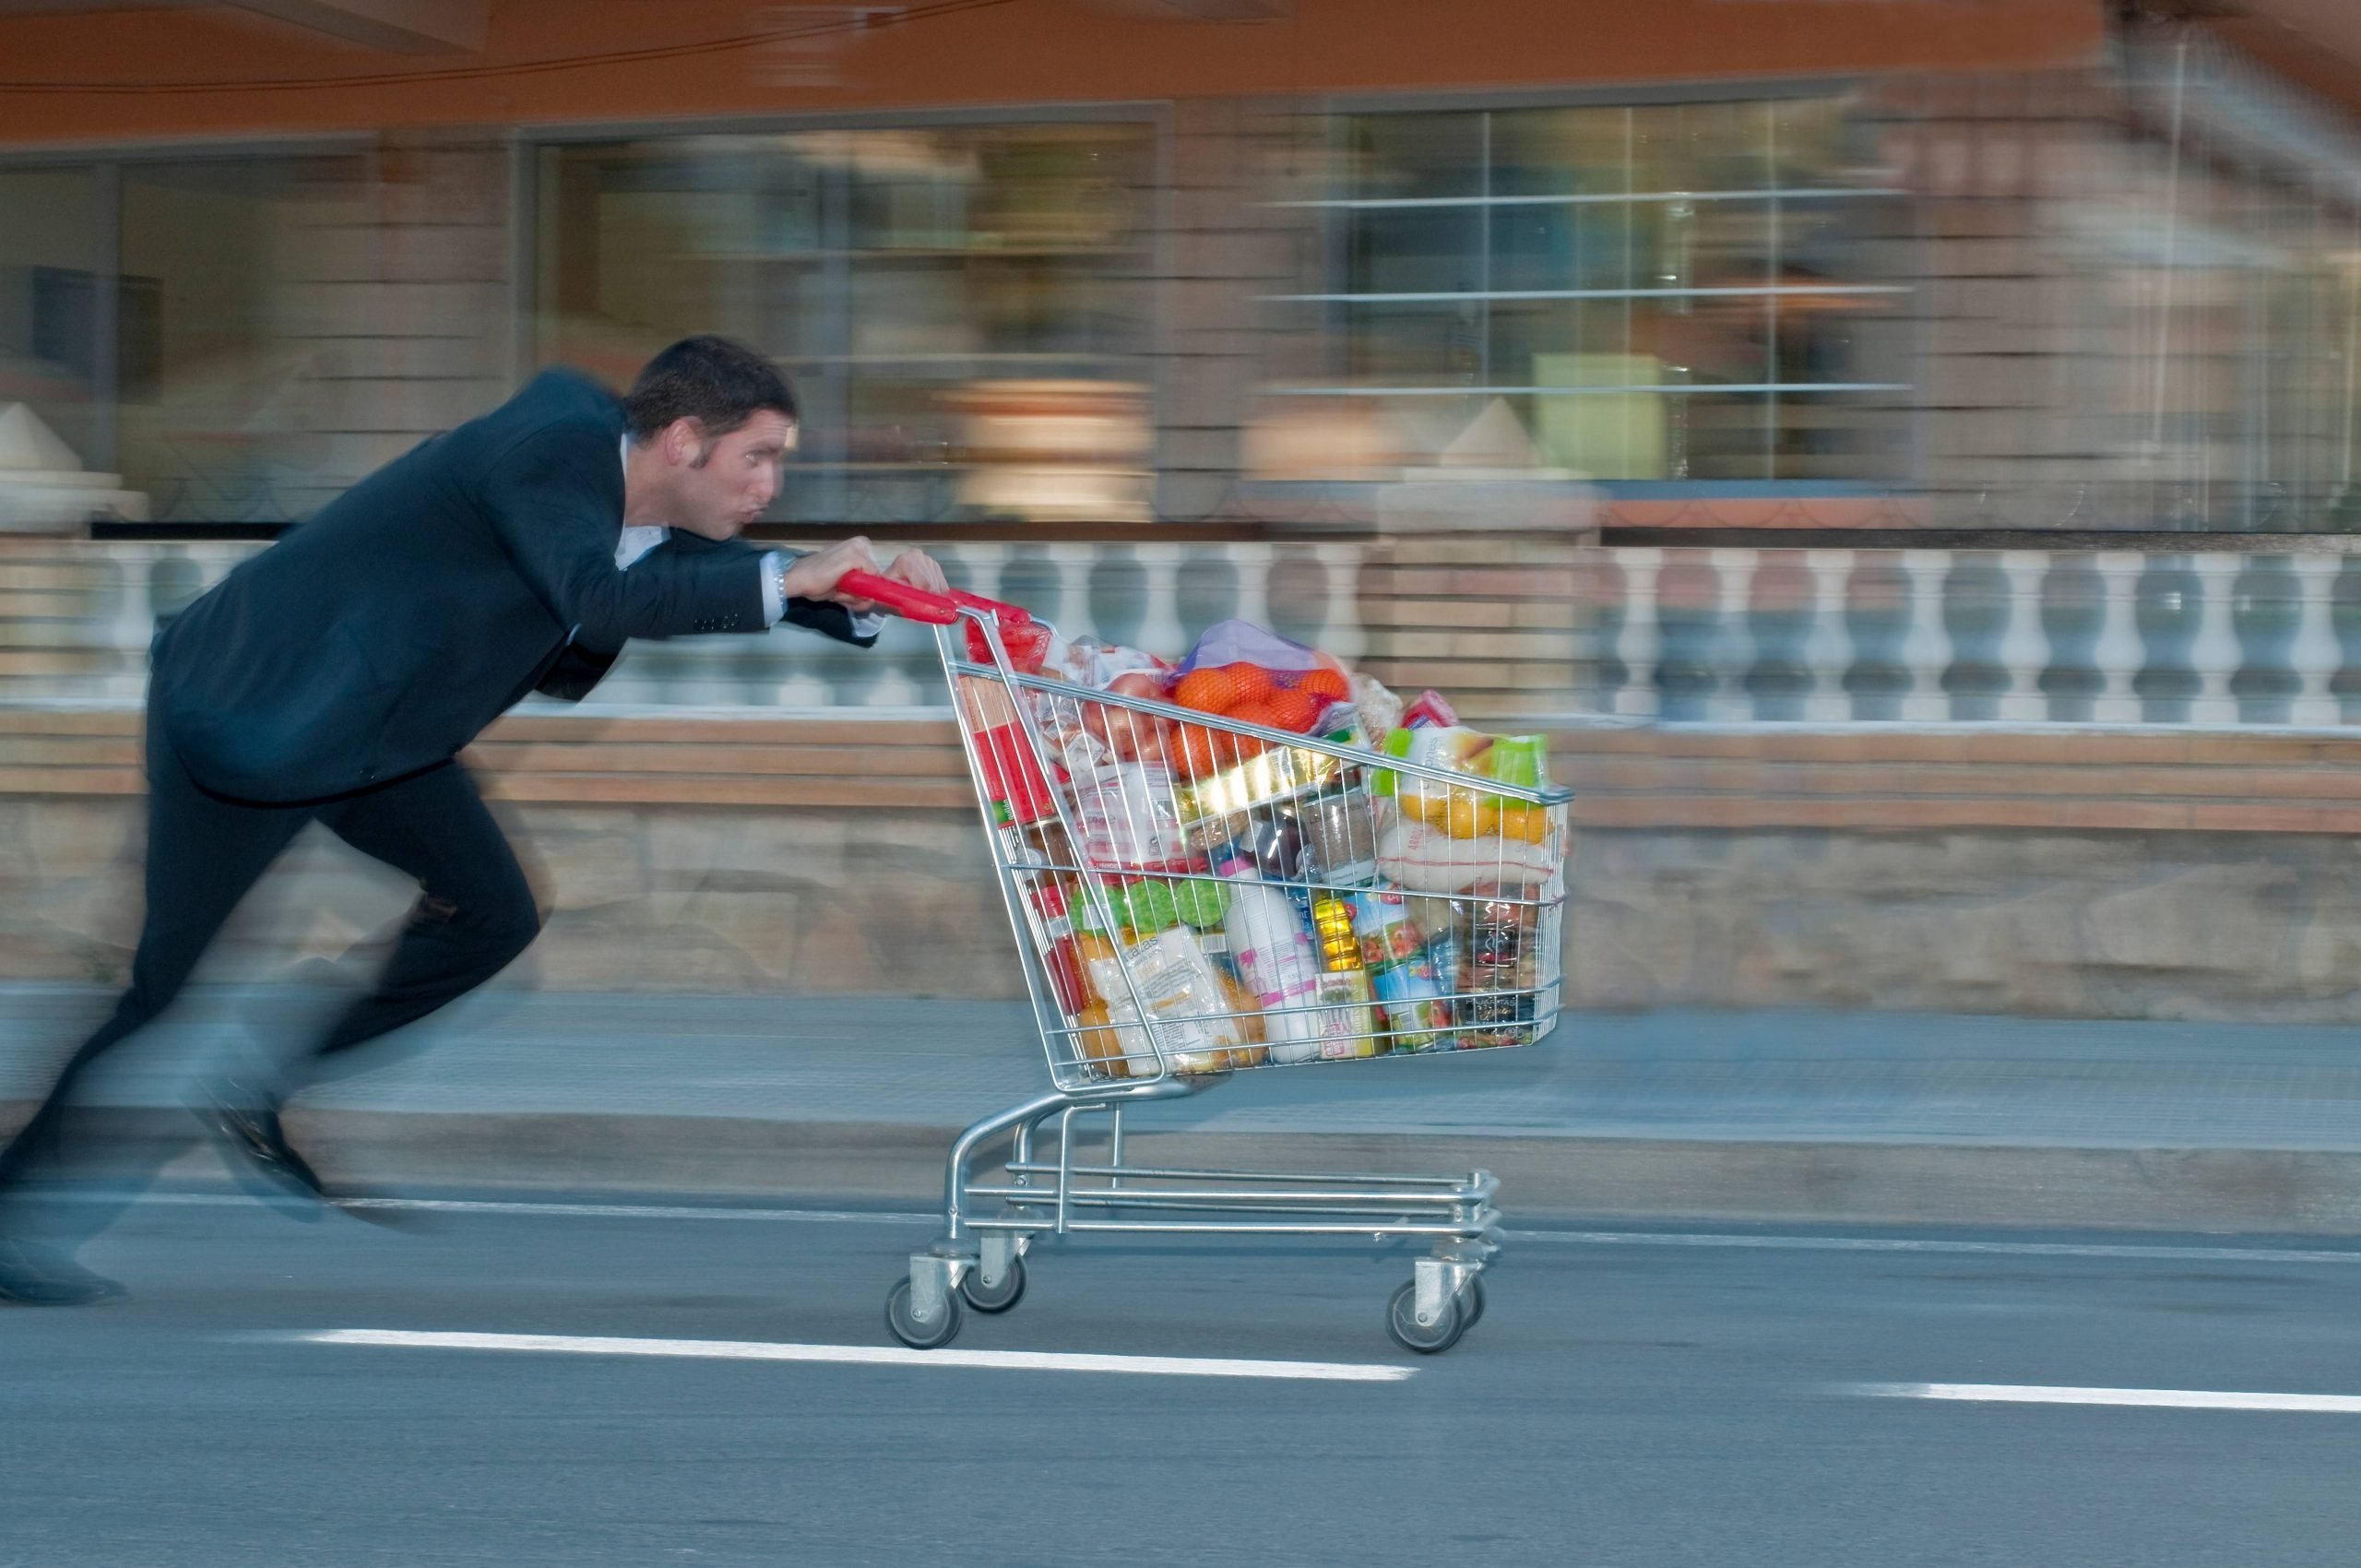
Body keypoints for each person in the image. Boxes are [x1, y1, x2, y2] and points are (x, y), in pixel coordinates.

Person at [0, 335, 945, 1305]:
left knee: (493, 912)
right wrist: (791, 578)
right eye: (760, 456)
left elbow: (700, 565)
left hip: (375, 730)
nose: (771, 483)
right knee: (162, 992)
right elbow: (606, 594)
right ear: (681, 441)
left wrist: (880, 595)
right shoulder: (547, 452)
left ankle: (255, 1077)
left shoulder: (637, 494)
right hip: (251, 719)